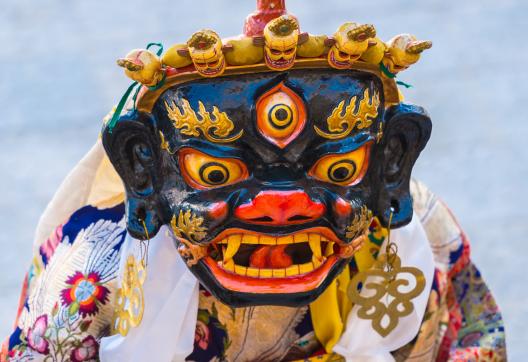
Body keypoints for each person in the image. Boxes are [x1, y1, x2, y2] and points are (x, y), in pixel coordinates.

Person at [2, 1, 506, 361]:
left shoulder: (414, 248)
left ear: (390, 164)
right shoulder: (90, 278)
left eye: (337, 170)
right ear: (144, 171)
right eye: (216, 173)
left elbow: (470, 341)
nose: (280, 206)